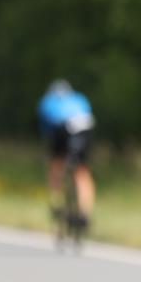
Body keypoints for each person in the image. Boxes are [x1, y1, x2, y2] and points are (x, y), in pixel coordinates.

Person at [37, 79, 96, 226]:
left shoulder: (47, 101)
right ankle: (84, 213)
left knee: (56, 164)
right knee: (82, 171)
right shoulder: (79, 97)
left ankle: (56, 202)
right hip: (85, 128)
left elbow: (46, 130)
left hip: (62, 129)